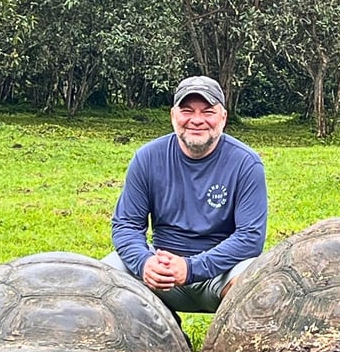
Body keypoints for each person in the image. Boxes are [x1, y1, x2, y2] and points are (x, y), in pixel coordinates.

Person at [102, 75, 268, 314]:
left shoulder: (245, 163)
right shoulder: (148, 158)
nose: (197, 120)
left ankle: (233, 348)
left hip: (221, 273)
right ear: (173, 116)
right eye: (187, 110)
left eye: (208, 112)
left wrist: (191, 268)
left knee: (256, 285)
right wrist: (144, 262)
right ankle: (155, 339)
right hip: (160, 270)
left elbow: (250, 238)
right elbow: (126, 224)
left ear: (223, 117)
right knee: (101, 276)